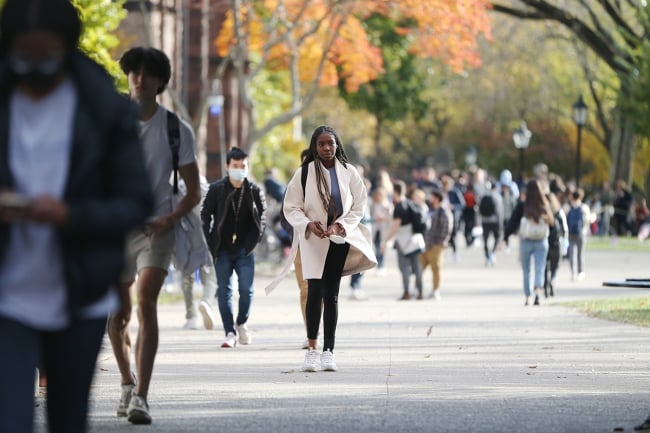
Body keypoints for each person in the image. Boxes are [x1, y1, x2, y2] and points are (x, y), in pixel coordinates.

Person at [0, 1, 153, 431]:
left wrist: (70, 214)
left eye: (46, 54)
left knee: (67, 419)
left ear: (67, 48)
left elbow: (134, 201)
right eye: (22, 55)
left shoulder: (102, 108)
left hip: (79, 291)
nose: (34, 67)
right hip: (6, 294)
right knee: (9, 418)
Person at [107, 46, 201, 425]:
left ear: (161, 81)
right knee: (119, 314)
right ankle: (126, 382)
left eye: (147, 73)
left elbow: (194, 190)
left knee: (146, 301)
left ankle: (142, 397)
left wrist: (171, 217)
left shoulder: (177, 129)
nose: (139, 79)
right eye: (133, 72)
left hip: (157, 227)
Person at [282, 125, 376, 372]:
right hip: (313, 240)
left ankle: (329, 351)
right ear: (315, 146)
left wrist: (340, 226)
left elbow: (359, 205)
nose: (326, 148)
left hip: (338, 240)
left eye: (330, 143)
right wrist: (308, 224)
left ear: (337, 145)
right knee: (314, 292)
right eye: (321, 144)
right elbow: (291, 207)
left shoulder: (349, 172)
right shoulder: (304, 173)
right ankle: (312, 350)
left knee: (331, 295)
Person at [201, 146, 267, 348]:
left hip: (244, 250)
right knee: (224, 291)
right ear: (227, 167)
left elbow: (262, 217)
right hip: (221, 248)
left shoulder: (255, 191)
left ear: (248, 166)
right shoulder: (216, 189)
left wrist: (254, 240)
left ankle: (241, 322)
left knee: (246, 290)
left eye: (243, 166)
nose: (239, 169)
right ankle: (229, 331)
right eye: (235, 166)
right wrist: (210, 242)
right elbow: (205, 216)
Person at [503, 180, 554, 306]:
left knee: (526, 270)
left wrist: (505, 237)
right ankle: (538, 292)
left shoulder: (523, 205)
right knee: (539, 268)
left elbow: (513, 221)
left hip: (526, 240)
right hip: (541, 241)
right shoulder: (544, 205)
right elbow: (552, 224)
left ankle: (527, 296)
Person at [382, 181, 425, 300]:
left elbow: (396, 225)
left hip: (404, 240)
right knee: (417, 267)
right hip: (416, 239)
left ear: (395, 191)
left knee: (404, 267)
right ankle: (420, 291)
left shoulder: (399, 207)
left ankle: (406, 292)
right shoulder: (411, 203)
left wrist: (386, 240)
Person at [420, 190, 453, 300]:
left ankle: (436, 290)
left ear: (437, 198)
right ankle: (418, 288)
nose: (430, 198)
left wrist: (442, 241)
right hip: (427, 243)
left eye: (432, 196)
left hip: (437, 244)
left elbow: (447, 227)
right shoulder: (430, 210)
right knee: (420, 267)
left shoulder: (443, 211)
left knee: (436, 268)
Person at [566, 188, 591, 281]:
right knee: (580, 254)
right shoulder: (584, 207)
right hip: (581, 233)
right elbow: (588, 220)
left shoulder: (568, 207)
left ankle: (573, 273)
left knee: (572, 253)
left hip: (570, 233)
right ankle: (581, 272)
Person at [370, 186, 393, 275]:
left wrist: (384, 217)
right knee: (377, 247)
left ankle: (381, 266)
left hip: (384, 229)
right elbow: (370, 216)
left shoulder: (388, 205)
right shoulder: (373, 205)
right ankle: (379, 266)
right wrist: (375, 218)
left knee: (382, 248)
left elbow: (391, 218)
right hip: (375, 229)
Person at [479, 182, 503, 266]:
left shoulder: (483, 196)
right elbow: (499, 212)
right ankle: (492, 253)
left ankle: (487, 256)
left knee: (485, 240)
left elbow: (479, 210)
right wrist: (500, 224)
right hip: (494, 221)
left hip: (484, 220)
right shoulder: (497, 197)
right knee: (497, 237)